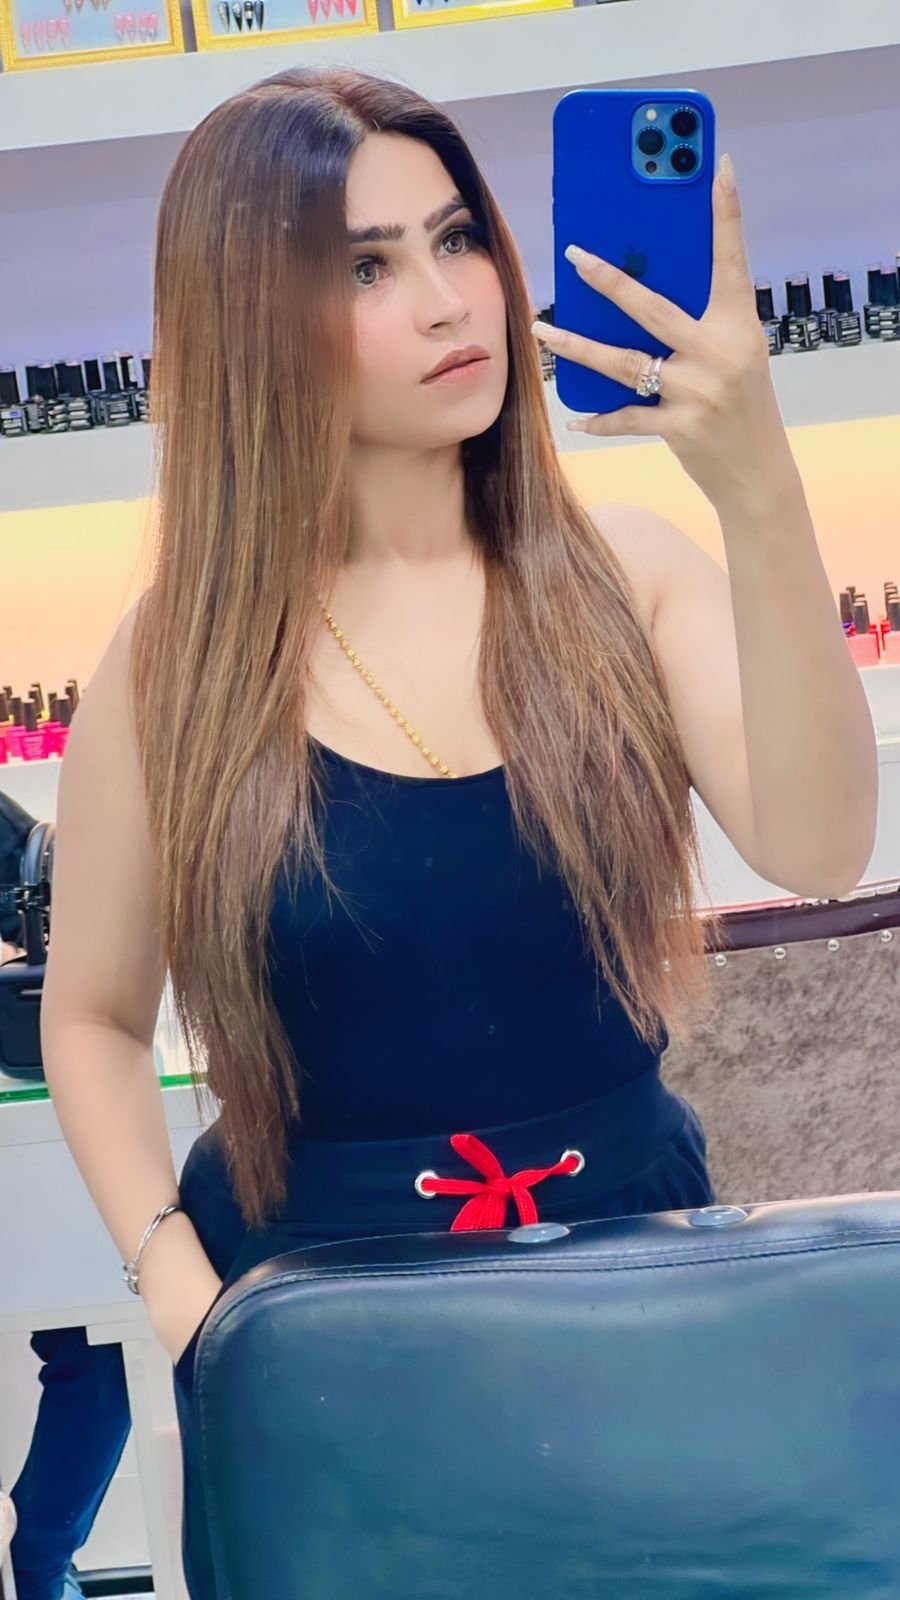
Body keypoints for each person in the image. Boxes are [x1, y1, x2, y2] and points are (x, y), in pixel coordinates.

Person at [39, 66, 877, 1600]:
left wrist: (758, 484)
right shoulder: (177, 667)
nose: (446, 300)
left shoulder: (626, 578)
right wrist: (179, 1288)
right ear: (253, 323)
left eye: (456, 237)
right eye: (366, 268)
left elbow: (822, 845)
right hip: (325, 1336)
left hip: (632, 1290)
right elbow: (90, 1015)